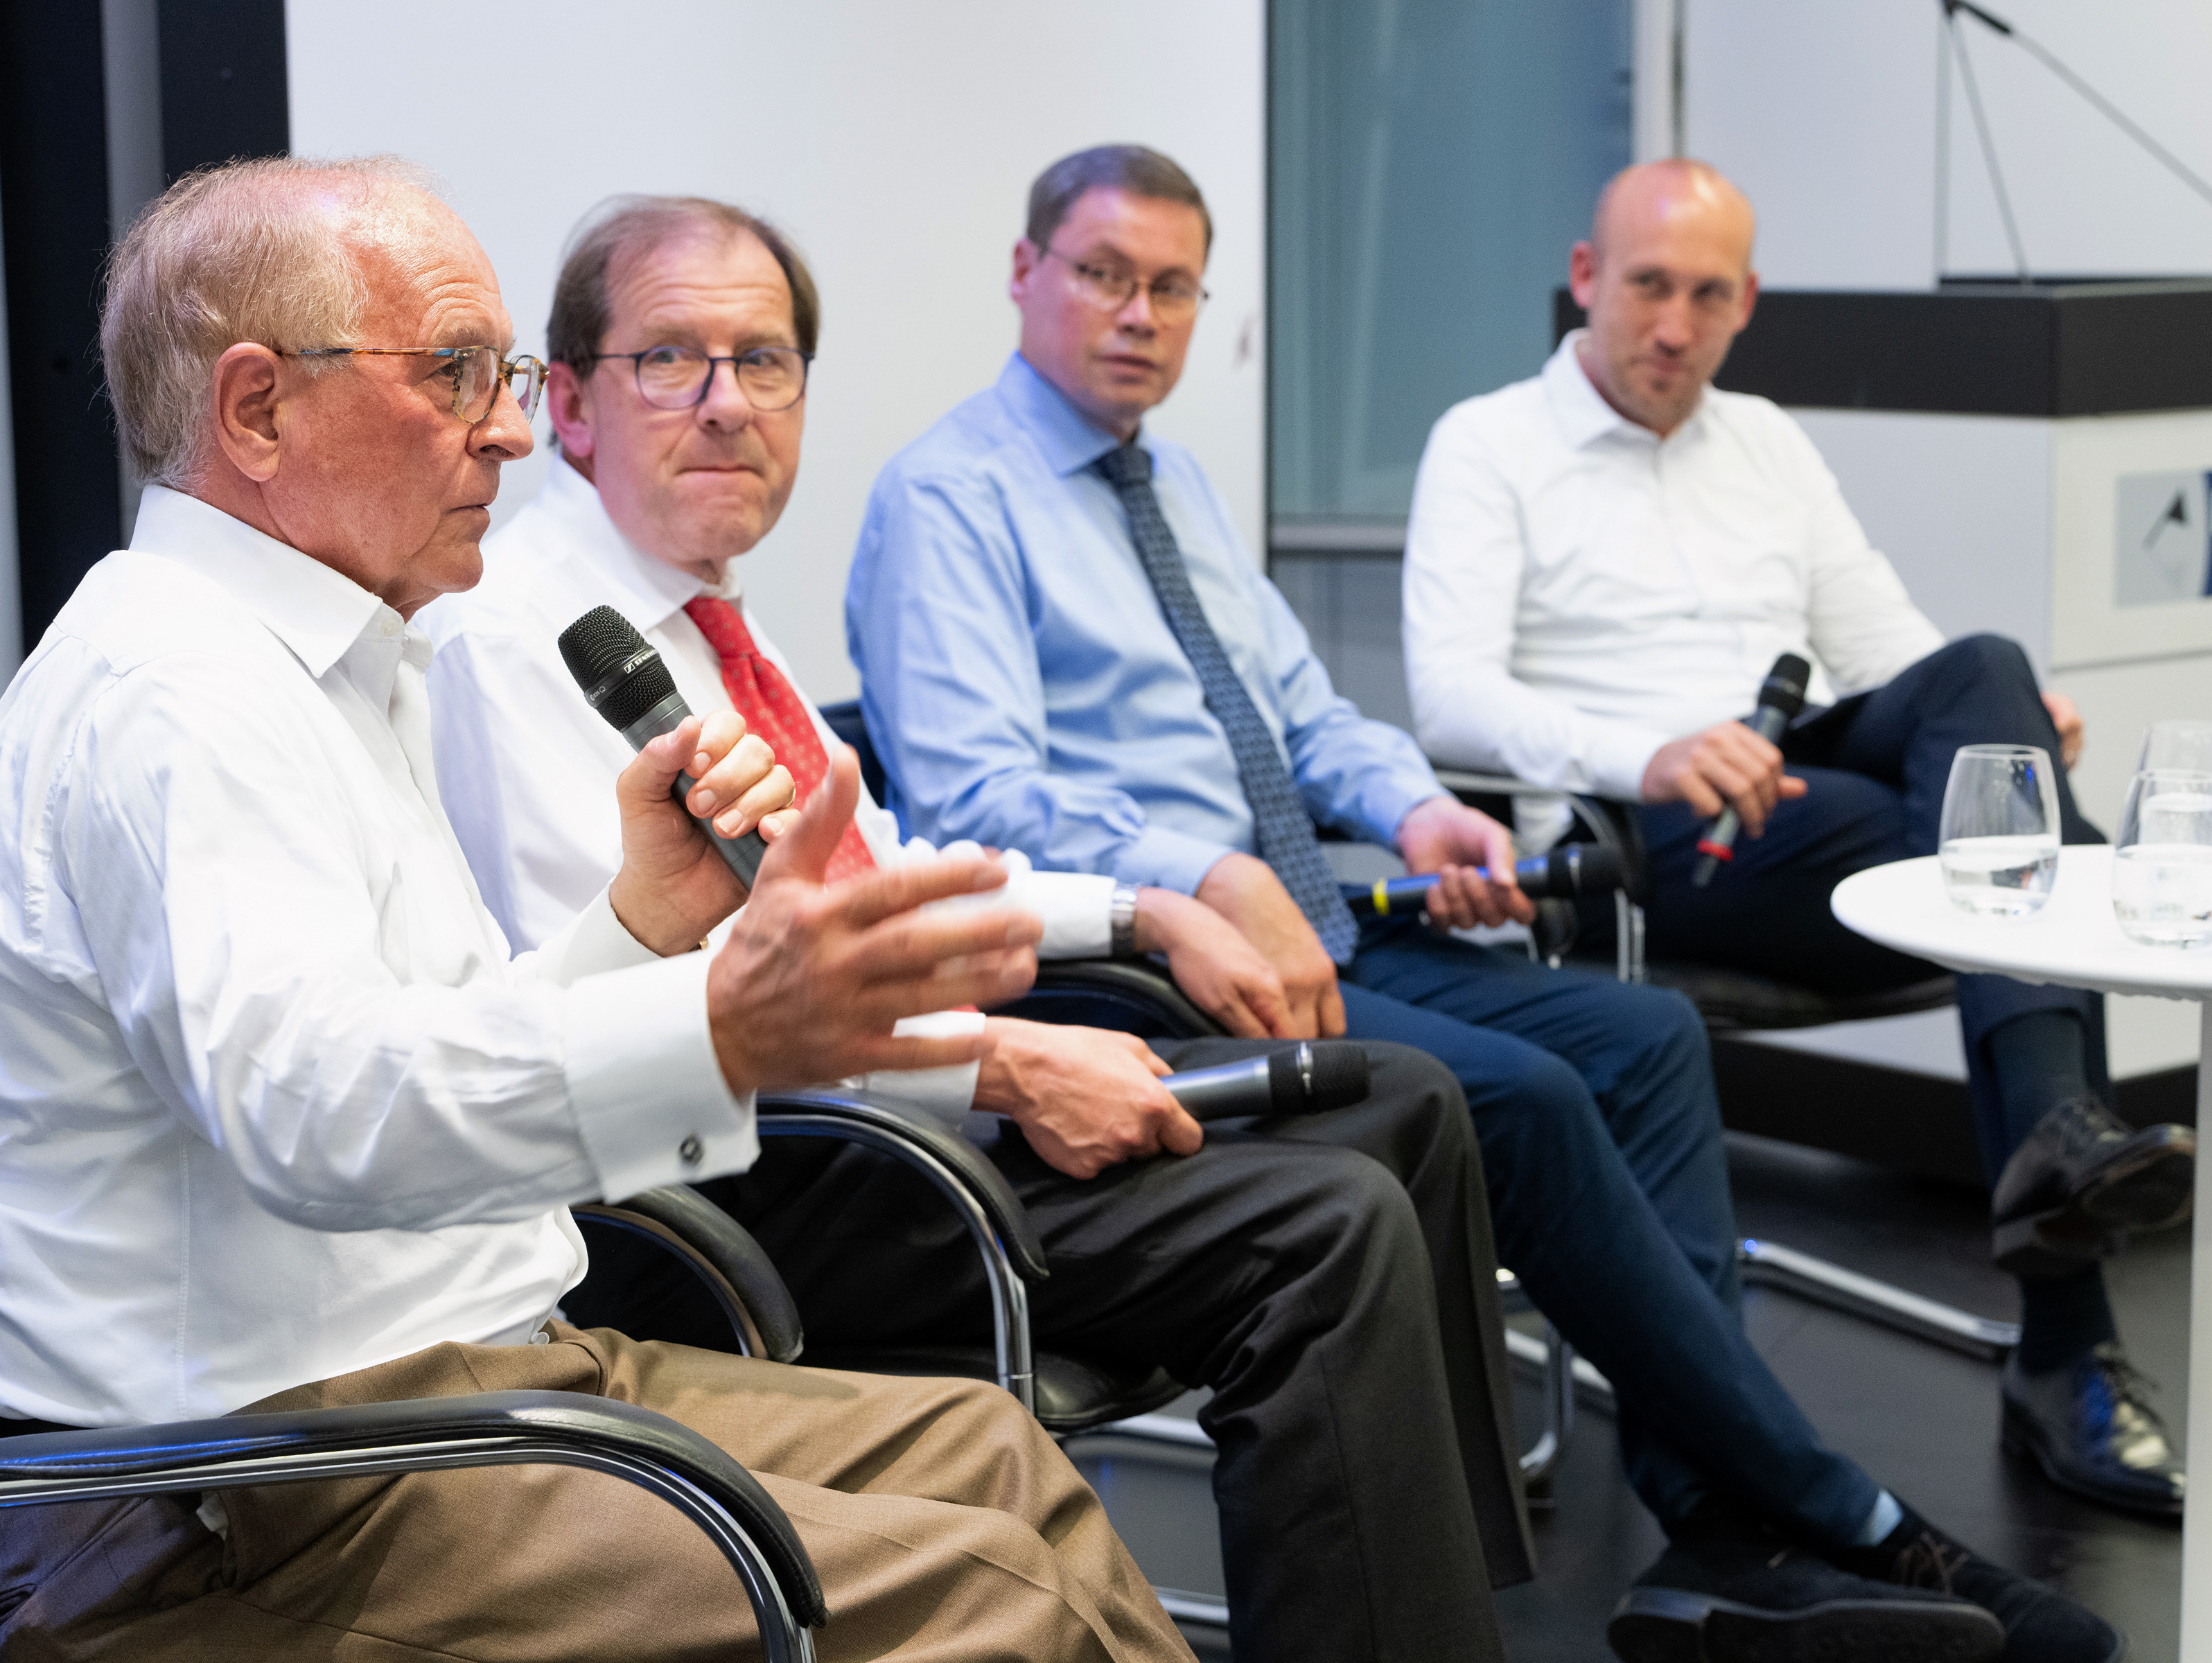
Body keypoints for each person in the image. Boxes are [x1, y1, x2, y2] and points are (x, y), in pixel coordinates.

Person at [845, 143, 2123, 1663]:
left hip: (1313, 915)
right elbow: (979, 804)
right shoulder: (948, 499)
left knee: (1645, 1042)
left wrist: (1418, 807)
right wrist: (1197, 873)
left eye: (1173, 287)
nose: (1140, 314)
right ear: (1025, 274)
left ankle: (1724, 1532)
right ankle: (1835, 1512)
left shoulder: (1171, 482)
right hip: (1146, 962)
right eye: (1106, 276)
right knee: (1521, 1096)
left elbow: (1307, 715)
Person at [0, 153, 1195, 1663]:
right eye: (456, 373)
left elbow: (421, 1039)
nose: (515, 432)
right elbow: (321, 1120)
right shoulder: (176, 697)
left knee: (1000, 1462)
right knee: (1009, 1598)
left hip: (450, 1382)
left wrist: (637, 927)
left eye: (509, 375)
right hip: (232, 1502)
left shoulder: (331, 663)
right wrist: (720, 1026)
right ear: (256, 410)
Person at [423, 193, 1536, 1663]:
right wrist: (1006, 1066)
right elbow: (673, 1015)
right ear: (568, 403)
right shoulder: (525, 641)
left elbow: (884, 879)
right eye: (671, 360)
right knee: (1327, 1226)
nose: (727, 404)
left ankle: (1439, 1603)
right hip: (739, 1182)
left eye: (765, 363)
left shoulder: (707, 622)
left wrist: (1144, 911)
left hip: (865, 1107)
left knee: (1402, 1104)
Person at [1402, 157, 2192, 1520]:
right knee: (2041, 853)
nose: (1675, 327)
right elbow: (1449, 697)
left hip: (1811, 801)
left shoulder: (1765, 438)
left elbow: (1894, 653)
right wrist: (1648, 751)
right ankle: (2067, 1336)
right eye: (1649, 286)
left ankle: (2057, 1142)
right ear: (1586, 279)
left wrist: (2007, 727)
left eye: (1709, 297)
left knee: (1986, 672)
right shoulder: (1489, 443)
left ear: (1748, 303)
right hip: (1634, 839)